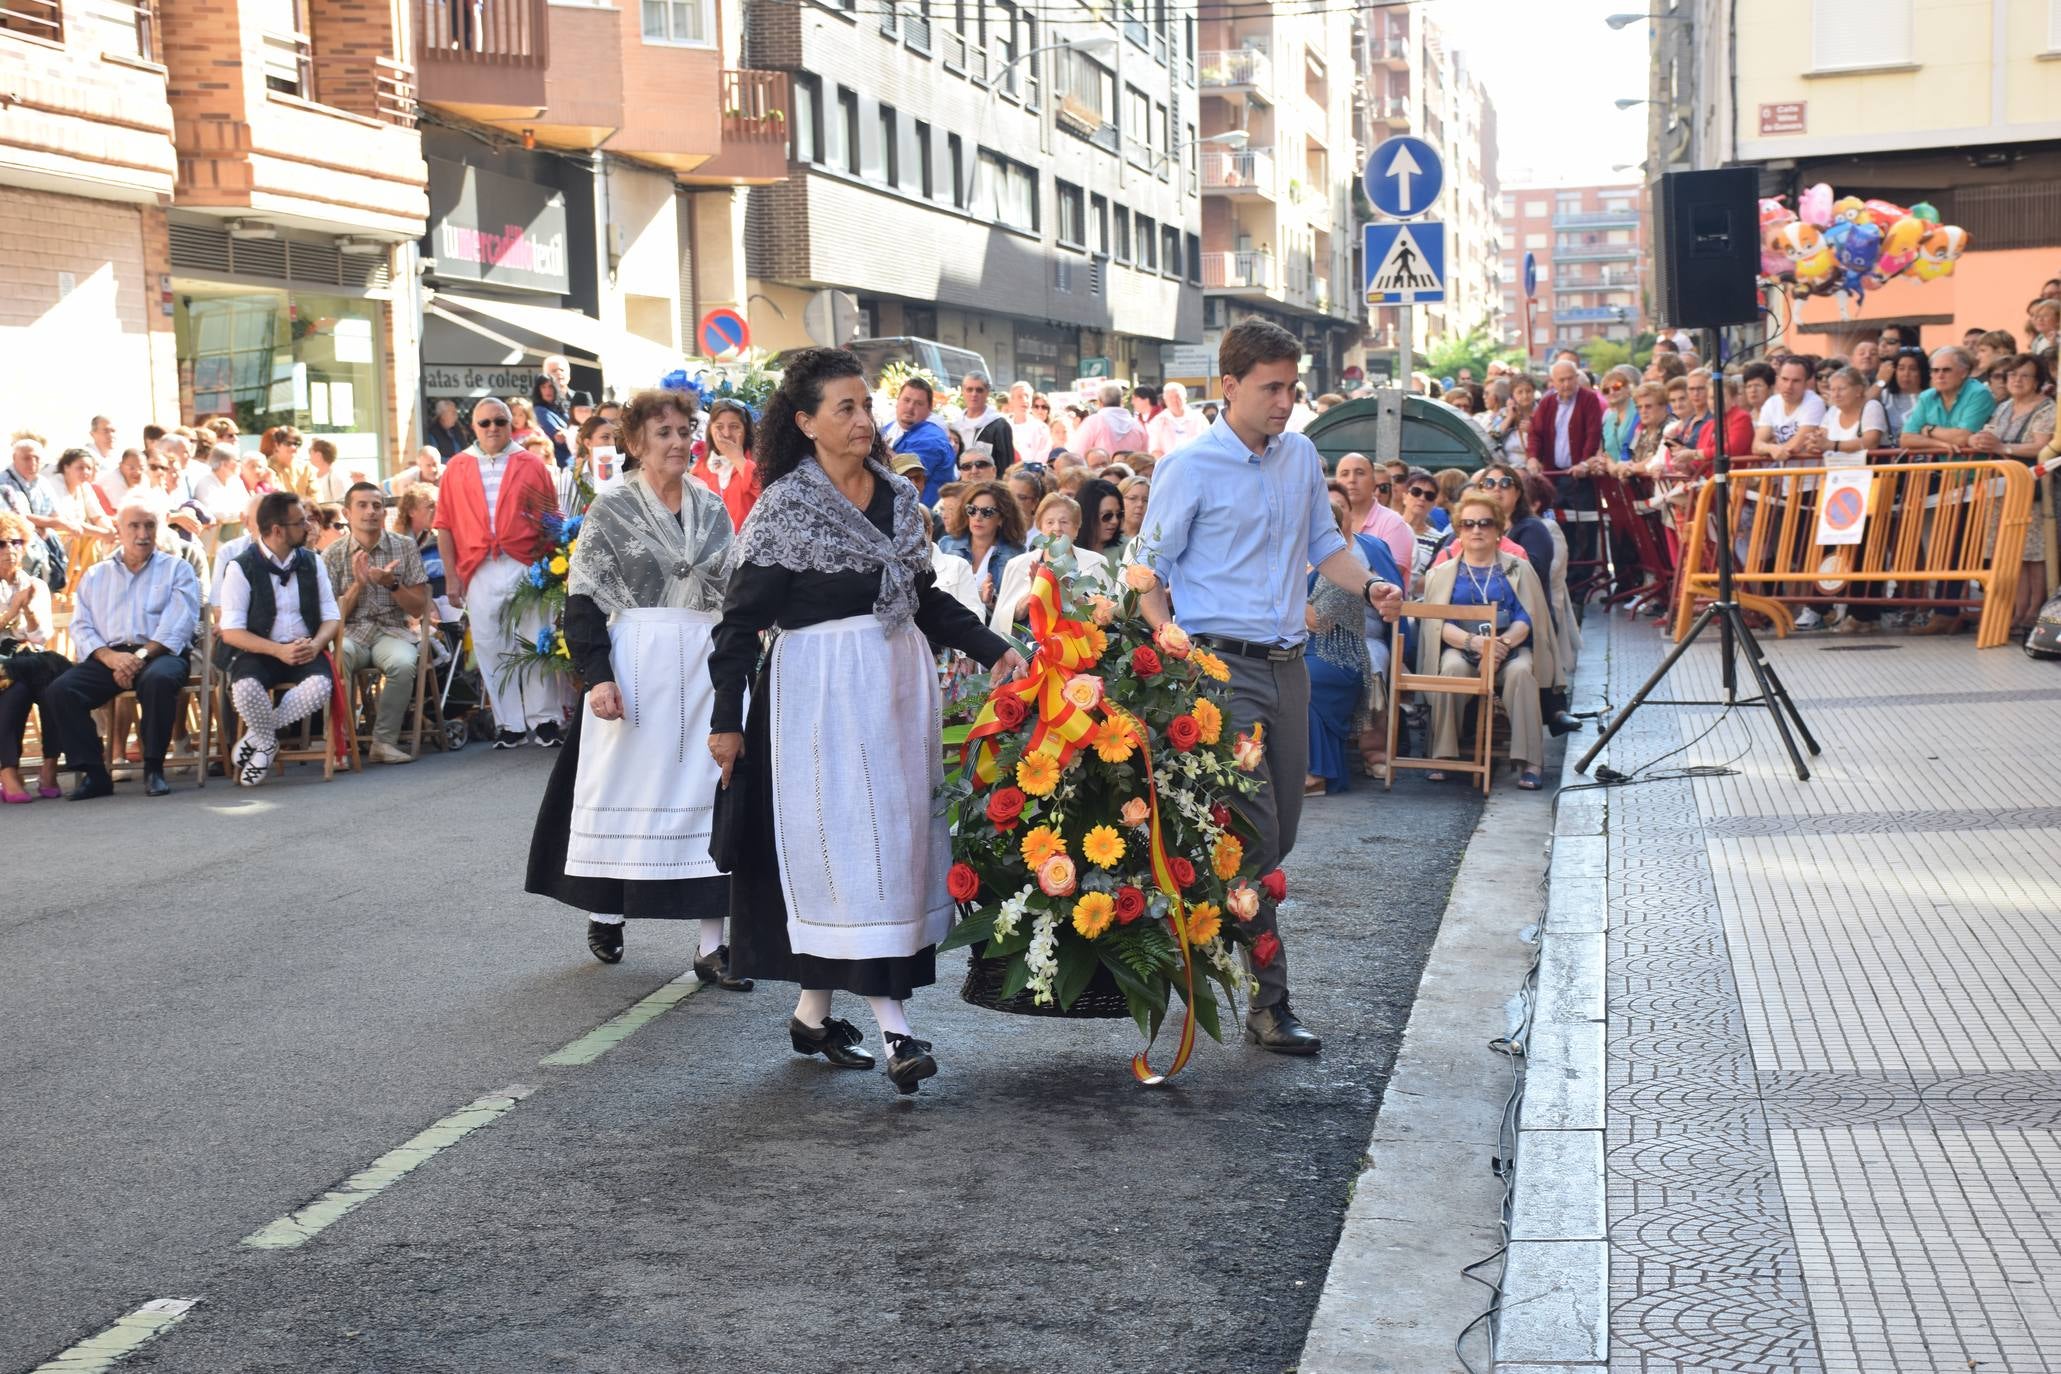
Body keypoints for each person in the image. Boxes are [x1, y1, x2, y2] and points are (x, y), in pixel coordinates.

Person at [706, 347, 1026, 1094]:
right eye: (843, 408)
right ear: (805, 422)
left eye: (863, 406)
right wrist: (727, 722)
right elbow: (736, 624)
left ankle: (813, 1016)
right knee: (848, 855)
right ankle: (898, 1032)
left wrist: (994, 650)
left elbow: (925, 600)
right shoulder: (785, 507)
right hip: (818, 694)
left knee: (890, 850)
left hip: (895, 690)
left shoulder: (891, 497)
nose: (861, 420)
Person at [1138, 319, 1403, 1055]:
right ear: (1228, 388)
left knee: (1276, 834)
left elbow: (1327, 550)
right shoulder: (1187, 468)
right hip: (1219, 672)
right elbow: (1146, 574)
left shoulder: (1300, 458)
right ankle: (1268, 1003)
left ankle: (1195, 917)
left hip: (1289, 666)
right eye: (1271, 389)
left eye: (1292, 387)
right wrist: (1165, 633)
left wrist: (1374, 583)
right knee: (1253, 835)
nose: (1286, 402)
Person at [527, 387, 747, 975]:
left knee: (708, 793)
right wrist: (597, 676)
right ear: (636, 443)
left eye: (684, 432)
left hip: (702, 664)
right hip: (635, 662)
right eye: (664, 434)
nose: (679, 443)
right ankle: (606, 909)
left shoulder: (713, 506)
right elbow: (583, 598)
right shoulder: (611, 508)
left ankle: (711, 945)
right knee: (619, 787)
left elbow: (733, 595)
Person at [433, 397, 570, 749]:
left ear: (510, 424)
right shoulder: (457, 467)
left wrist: (556, 569)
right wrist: (451, 577)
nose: (493, 428)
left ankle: (546, 720)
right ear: (474, 427)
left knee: (535, 639)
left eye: (500, 421)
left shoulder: (530, 463)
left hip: (526, 563)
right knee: (492, 645)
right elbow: (444, 526)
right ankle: (509, 723)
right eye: (485, 423)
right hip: (478, 568)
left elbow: (550, 520)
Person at [43, 498, 202, 799]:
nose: (142, 534)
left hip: (159, 652)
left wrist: (139, 657)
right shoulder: (95, 574)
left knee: (159, 680)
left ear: (160, 529)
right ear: (118, 528)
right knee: (60, 691)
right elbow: (82, 626)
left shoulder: (176, 569)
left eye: (150, 526)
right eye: (134, 526)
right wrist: (111, 657)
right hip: (110, 654)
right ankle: (95, 773)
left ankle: (153, 768)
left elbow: (178, 623)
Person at [1417, 493, 1554, 791]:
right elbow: (1437, 623)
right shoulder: (1441, 574)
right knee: (1451, 669)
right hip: (1462, 647)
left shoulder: (1519, 568)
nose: (1476, 530)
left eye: (1485, 523)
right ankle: (1442, 754)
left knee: (1520, 672)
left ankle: (1530, 761)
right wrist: (1472, 643)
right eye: (1468, 524)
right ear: (1459, 530)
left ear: (1499, 529)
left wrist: (1499, 644)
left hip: (1511, 647)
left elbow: (1528, 617)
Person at [215, 493, 342, 786]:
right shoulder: (240, 567)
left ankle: (259, 735)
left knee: (320, 687)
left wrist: (317, 644)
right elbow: (231, 630)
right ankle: (268, 742)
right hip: (259, 649)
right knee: (245, 689)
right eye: (300, 522)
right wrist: (277, 650)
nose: (309, 527)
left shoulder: (313, 562)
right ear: (277, 530)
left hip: (305, 648)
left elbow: (331, 615)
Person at [323, 482, 430, 765]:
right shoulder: (333, 554)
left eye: (377, 505)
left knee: (404, 662)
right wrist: (358, 587)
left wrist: (392, 584)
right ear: (347, 512)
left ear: (384, 511)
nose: (371, 511)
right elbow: (331, 615)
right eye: (362, 505)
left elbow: (419, 606)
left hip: (392, 630)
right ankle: (341, 745)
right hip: (352, 630)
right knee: (338, 656)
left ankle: (383, 742)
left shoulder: (404, 546)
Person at [1304, 489, 1401, 795]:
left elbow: (1319, 621)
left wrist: (1279, 594)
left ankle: (1315, 773)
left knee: (1304, 679)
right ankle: (1316, 771)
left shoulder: (1344, 567)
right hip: (1309, 650)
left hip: (1340, 655)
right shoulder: (1301, 564)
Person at [1966, 354, 2056, 632]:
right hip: (2002, 486)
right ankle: (2017, 609)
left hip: (2033, 486)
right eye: (2012, 375)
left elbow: (2040, 446)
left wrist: (2003, 447)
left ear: (2039, 381)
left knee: (2034, 551)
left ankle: (2034, 607)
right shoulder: (2003, 407)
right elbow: (1990, 434)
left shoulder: (2048, 409)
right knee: (2010, 549)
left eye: (2025, 375)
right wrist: (1979, 440)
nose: (2016, 380)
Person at [1528, 359, 1606, 595]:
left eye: (1570, 378)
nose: (1567, 384)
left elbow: (1593, 433)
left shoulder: (1589, 399)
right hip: (1554, 475)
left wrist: (1584, 462)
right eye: (1561, 380)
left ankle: (1582, 580)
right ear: (1553, 382)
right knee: (1559, 525)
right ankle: (1563, 574)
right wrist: (1533, 457)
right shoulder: (1547, 402)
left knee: (1585, 524)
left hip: (1579, 475)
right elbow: (1536, 433)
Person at [0, 509, 62, 801]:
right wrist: (12, 610)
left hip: (31, 659)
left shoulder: (35, 585)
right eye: (0, 544)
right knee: (17, 691)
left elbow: (40, 636)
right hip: (4, 664)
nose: (9, 550)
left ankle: (50, 765)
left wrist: (28, 611)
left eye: (15, 542)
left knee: (57, 690)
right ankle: (8, 772)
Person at [988, 491, 1112, 631]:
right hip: (1029, 649)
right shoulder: (1018, 564)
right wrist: (1035, 592)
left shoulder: (1097, 562)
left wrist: (1072, 596)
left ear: (1076, 528)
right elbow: (1005, 620)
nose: (1057, 528)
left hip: (1084, 646)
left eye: (1064, 522)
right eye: (1050, 522)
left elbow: (1109, 618)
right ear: (1040, 528)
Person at [937, 477, 1026, 611]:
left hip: (991, 628)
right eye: (972, 510)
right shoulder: (946, 545)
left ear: (1001, 518)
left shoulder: (1015, 554)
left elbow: (1014, 611)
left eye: (987, 512)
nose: (978, 517)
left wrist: (991, 602)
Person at [1898, 346, 1995, 453]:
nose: (1940, 375)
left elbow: (1962, 438)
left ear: (1964, 372)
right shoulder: (1926, 397)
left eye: (1946, 370)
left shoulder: (1979, 393)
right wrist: (1940, 444)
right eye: (1935, 370)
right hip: (1945, 467)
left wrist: (1930, 429)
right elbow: (1906, 439)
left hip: (1978, 467)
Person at [1334, 453, 1414, 577]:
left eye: (1360, 473)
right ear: (1336, 482)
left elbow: (1388, 578)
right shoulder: (1326, 520)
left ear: (1373, 482)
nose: (1352, 480)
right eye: (1344, 474)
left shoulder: (1393, 522)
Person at [887, 376, 959, 506]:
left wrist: (880, 448)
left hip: (923, 518)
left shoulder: (932, 438)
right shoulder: (887, 428)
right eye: (906, 400)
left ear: (929, 409)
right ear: (897, 401)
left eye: (918, 403)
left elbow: (908, 473)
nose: (910, 408)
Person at [693, 398, 761, 530]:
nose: (726, 434)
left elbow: (766, 494)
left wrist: (737, 459)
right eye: (719, 427)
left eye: (734, 427)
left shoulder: (759, 462)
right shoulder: (700, 468)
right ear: (710, 430)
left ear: (745, 430)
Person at [1752, 356, 1830, 461]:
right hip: (1782, 474)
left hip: (1808, 475)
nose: (1789, 386)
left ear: (1806, 383)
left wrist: (1769, 448)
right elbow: (1756, 446)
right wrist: (1771, 448)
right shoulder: (1771, 403)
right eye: (1784, 379)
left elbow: (1795, 446)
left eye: (1796, 381)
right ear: (1777, 380)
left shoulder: (1814, 402)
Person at [1072, 381, 1148, 456]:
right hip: (1132, 468)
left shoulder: (1093, 422)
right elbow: (1145, 456)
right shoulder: (1136, 425)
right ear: (1121, 401)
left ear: (1100, 402)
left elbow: (1078, 453)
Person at [1879, 347, 1931, 444]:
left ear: (1922, 372)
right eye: (1901, 368)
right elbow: (1861, 407)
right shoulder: (1884, 394)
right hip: (1887, 455)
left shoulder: (1929, 397)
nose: (1906, 374)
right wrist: (1880, 382)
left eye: (1913, 369)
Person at [948, 371, 1002, 452]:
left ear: (987, 392)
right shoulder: (955, 424)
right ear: (963, 391)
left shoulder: (999, 425)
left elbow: (1006, 462)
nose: (974, 394)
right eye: (969, 389)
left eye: (979, 390)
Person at [1071, 476, 1125, 558]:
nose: (1115, 521)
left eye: (1119, 514)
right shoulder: (1067, 550)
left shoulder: (1127, 549)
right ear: (1087, 516)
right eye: (1107, 516)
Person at [1147, 381, 1206, 457]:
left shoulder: (1199, 418)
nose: (1174, 400)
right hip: (1169, 466)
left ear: (1185, 397)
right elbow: (1155, 450)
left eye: (1177, 396)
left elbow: (1206, 444)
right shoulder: (1158, 421)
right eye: (1170, 397)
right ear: (1165, 400)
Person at [261, 426, 315, 500]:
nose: (293, 447)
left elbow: (316, 496)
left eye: (297, 444)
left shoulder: (306, 468)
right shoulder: (266, 468)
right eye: (288, 443)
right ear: (277, 445)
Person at [1005, 381, 1053, 467]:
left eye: (1027, 396)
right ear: (1011, 401)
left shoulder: (1042, 428)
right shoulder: (1003, 427)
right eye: (1020, 396)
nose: (1024, 400)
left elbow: (1041, 460)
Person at [532, 374, 573, 464]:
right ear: (538, 391)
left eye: (550, 386)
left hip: (573, 458)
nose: (548, 390)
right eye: (543, 387)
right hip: (559, 462)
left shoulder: (562, 408)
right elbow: (559, 439)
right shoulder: (540, 411)